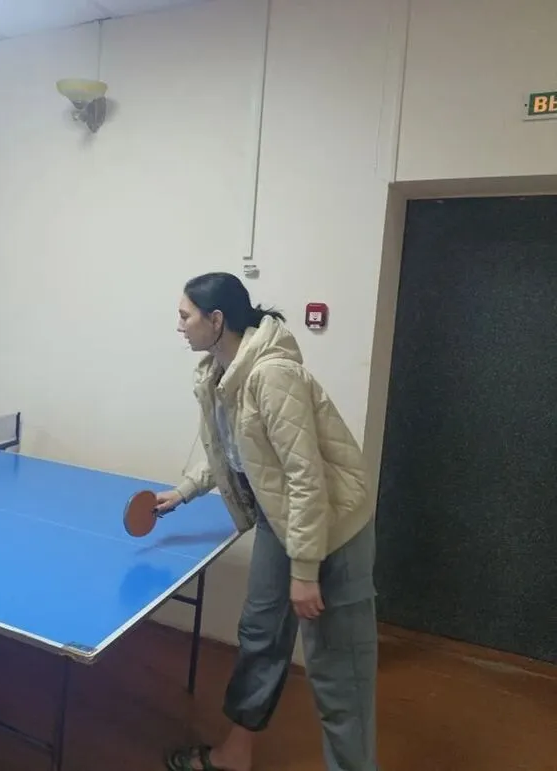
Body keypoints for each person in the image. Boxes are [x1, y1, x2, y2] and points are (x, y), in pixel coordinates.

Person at [160, 272, 379, 771]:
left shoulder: (272, 376)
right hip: (282, 521)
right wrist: (184, 491)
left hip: (333, 529)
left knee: (337, 670)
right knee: (260, 635)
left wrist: (304, 571)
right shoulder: (218, 375)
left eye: (185, 316)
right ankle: (235, 754)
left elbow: (306, 478)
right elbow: (235, 452)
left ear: (216, 320)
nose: (179, 326)